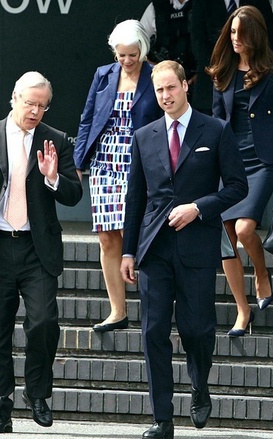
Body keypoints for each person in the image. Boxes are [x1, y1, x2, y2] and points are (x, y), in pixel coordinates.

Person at [120, 60, 248, 439]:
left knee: (196, 330)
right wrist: (128, 252)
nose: (165, 96)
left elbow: (237, 187)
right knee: (153, 331)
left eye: (171, 88)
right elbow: (135, 199)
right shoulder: (144, 135)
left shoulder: (216, 129)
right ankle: (162, 419)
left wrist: (199, 208)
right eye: (159, 90)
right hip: (154, 248)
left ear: (186, 86)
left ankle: (199, 385)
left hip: (196, 245)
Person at [0, 71, 83, 433]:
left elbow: (74, 194)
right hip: (1, 244)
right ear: (14, 99)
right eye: (29, 103)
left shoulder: (56, 141)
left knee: (44, 323)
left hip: (37, 249)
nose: (34, 111)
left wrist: (52, 177)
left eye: (41, 106)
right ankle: (1, 403)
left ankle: (37, 393)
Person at [207, 6, 273, 337]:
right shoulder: (222, 72)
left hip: (263, 160)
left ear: (254, 35)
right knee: (226, 239)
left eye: (240, 34)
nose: (234, 40)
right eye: (231, 33)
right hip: (230, 160)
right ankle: (242, 312)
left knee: (245, 229)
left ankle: (261, 273)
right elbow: (216, 124)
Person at [73, 20, 162, 333]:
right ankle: (117, 310)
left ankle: (152, 307)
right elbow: (87, 119)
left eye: (132, 55)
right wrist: (79, 161)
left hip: (140, 160)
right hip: (105, 161)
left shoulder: (156, 76)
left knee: (133, 232)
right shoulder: (103, 75)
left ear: (143, 50)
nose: (126, 61)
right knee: (107, 237)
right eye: (121, 55)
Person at [191, 0, 273, 114]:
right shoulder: (202, 3)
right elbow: (198, 42)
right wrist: (224, 67)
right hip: (211, 84)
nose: (236, 37)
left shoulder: (259, 2)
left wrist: (249, 67)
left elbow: (268, 39)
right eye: (233, 31)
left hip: (253, 81)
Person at [140, 0, 196, 97]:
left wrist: (203, 74)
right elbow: (137, 42)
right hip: (163, 82)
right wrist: (152, 66)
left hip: (195, 82)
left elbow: (216, 43)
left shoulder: (204, 4)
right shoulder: (156, 7)